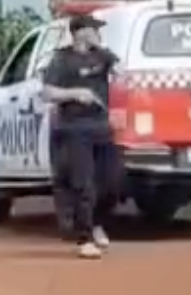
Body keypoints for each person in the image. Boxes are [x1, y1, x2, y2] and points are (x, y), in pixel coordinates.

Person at [41, 14, 121, 259]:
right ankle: (84, 237)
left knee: (111, 182)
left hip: (101, 127)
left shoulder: (103, 56)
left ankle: (98, 223)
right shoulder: (62, 59)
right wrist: (74, 93)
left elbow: (121, 70)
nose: (97, 33)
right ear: (79, 32)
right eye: (93, 29)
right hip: (74, 129)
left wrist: (102, 49)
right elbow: (47, 92)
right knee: (83, 183)